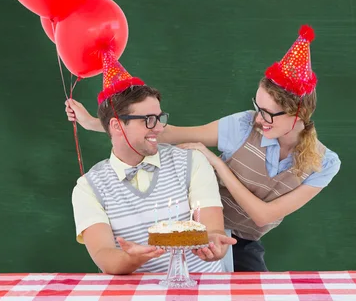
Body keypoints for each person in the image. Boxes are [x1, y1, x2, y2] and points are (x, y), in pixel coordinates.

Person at [66, 25, 341, 272]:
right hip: (208, 230)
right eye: (257, 108)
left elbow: (264, 216)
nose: (258, 119)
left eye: (268, 114)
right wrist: (95, 123)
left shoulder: (324, 163)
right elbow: (168, 133)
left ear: (299, 113)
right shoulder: (244, 125)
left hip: (241, 239)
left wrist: (218, 163)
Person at [71, 51, 236, 275]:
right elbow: (104, 256)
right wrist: (133, 258)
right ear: (117, 126)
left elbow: (212, 227)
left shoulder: (191, 161)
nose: (159, 128)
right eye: (148, 120)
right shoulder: (88, 188)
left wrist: (215, 242)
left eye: (160, 118)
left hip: (201, 289)